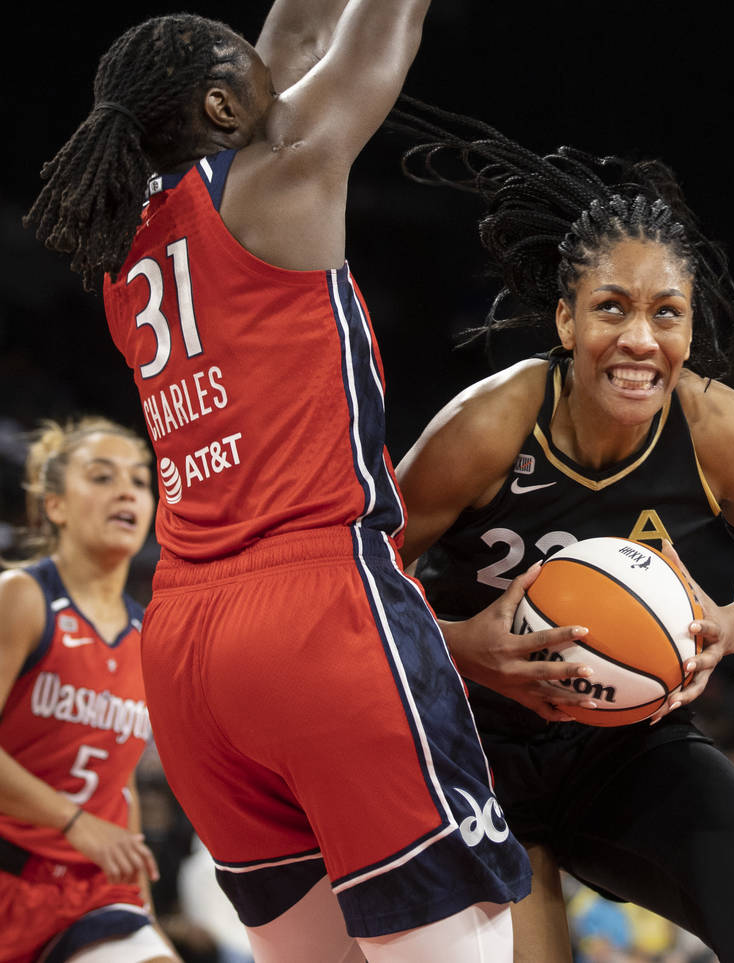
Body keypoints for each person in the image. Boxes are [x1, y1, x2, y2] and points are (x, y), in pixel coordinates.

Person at [23, 3, 577, 960]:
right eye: (258, 86)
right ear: (222, 105)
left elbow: (299, 31)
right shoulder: (284, 173)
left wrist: (269, 57)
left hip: (190, 644)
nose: (285, 94)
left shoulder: (127, 250)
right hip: (319, 611)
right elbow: (378, 32)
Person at [390, 99, 734, 963]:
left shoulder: (721, 432)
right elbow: (345, 585)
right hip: (468, 739)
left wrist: (727, 626)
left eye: (666, 313)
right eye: (611, 308)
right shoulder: (488, 427)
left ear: (690, 326)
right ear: (565, 321)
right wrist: (460, 646)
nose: (640, 338)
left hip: (625, 747)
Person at [0, 417, 177, 962]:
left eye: (140, 480)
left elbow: (115, 790)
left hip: (89, 891)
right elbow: (91, 820)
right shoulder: (22, 598)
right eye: (101, 477)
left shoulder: (149, 635)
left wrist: (147, 919)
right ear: (55, 506)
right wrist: (73, 823)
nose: (126, 490)